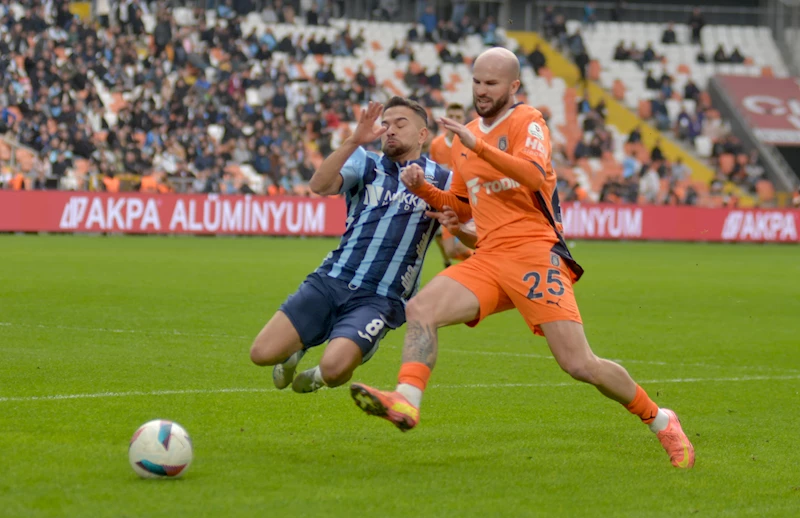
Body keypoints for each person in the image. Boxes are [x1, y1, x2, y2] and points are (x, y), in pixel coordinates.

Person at [348, 47, 695, 469]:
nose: (481, 90)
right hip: (489, 255)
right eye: (476, 81)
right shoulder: (464, 136)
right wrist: (421, 186)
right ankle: (406, 400)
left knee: (579, 364)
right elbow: (459, 206)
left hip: (536, 254)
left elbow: (532, 174)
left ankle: (660, 420)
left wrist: (478, 144)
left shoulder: (526, 120)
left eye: (491, 83)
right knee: (422, 308)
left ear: (513, 86)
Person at [249, 97, 451, 393]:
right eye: (386, 123)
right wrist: (353, 140)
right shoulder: (365, 161)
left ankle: (320, 374)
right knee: (261, 354)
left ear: (422, 135)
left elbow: (469, 231)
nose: (390, 130)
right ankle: (295, 351)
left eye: (400, 124)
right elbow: (319, 186)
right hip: (332, 279)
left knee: (334, 371)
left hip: (380, 298)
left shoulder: (443, 180)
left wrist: (458, 224)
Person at [428, 102, 474, 267]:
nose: (454, 120)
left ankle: (480, 267)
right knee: (450, 251)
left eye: (458, 117)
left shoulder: (469, 143)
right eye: (451, 116)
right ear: (445, 119)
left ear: (463, 119)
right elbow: (433, 170)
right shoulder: (436, 144)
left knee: (462, 246)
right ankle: (476, 264)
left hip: (467, 203)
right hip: (446, 202)